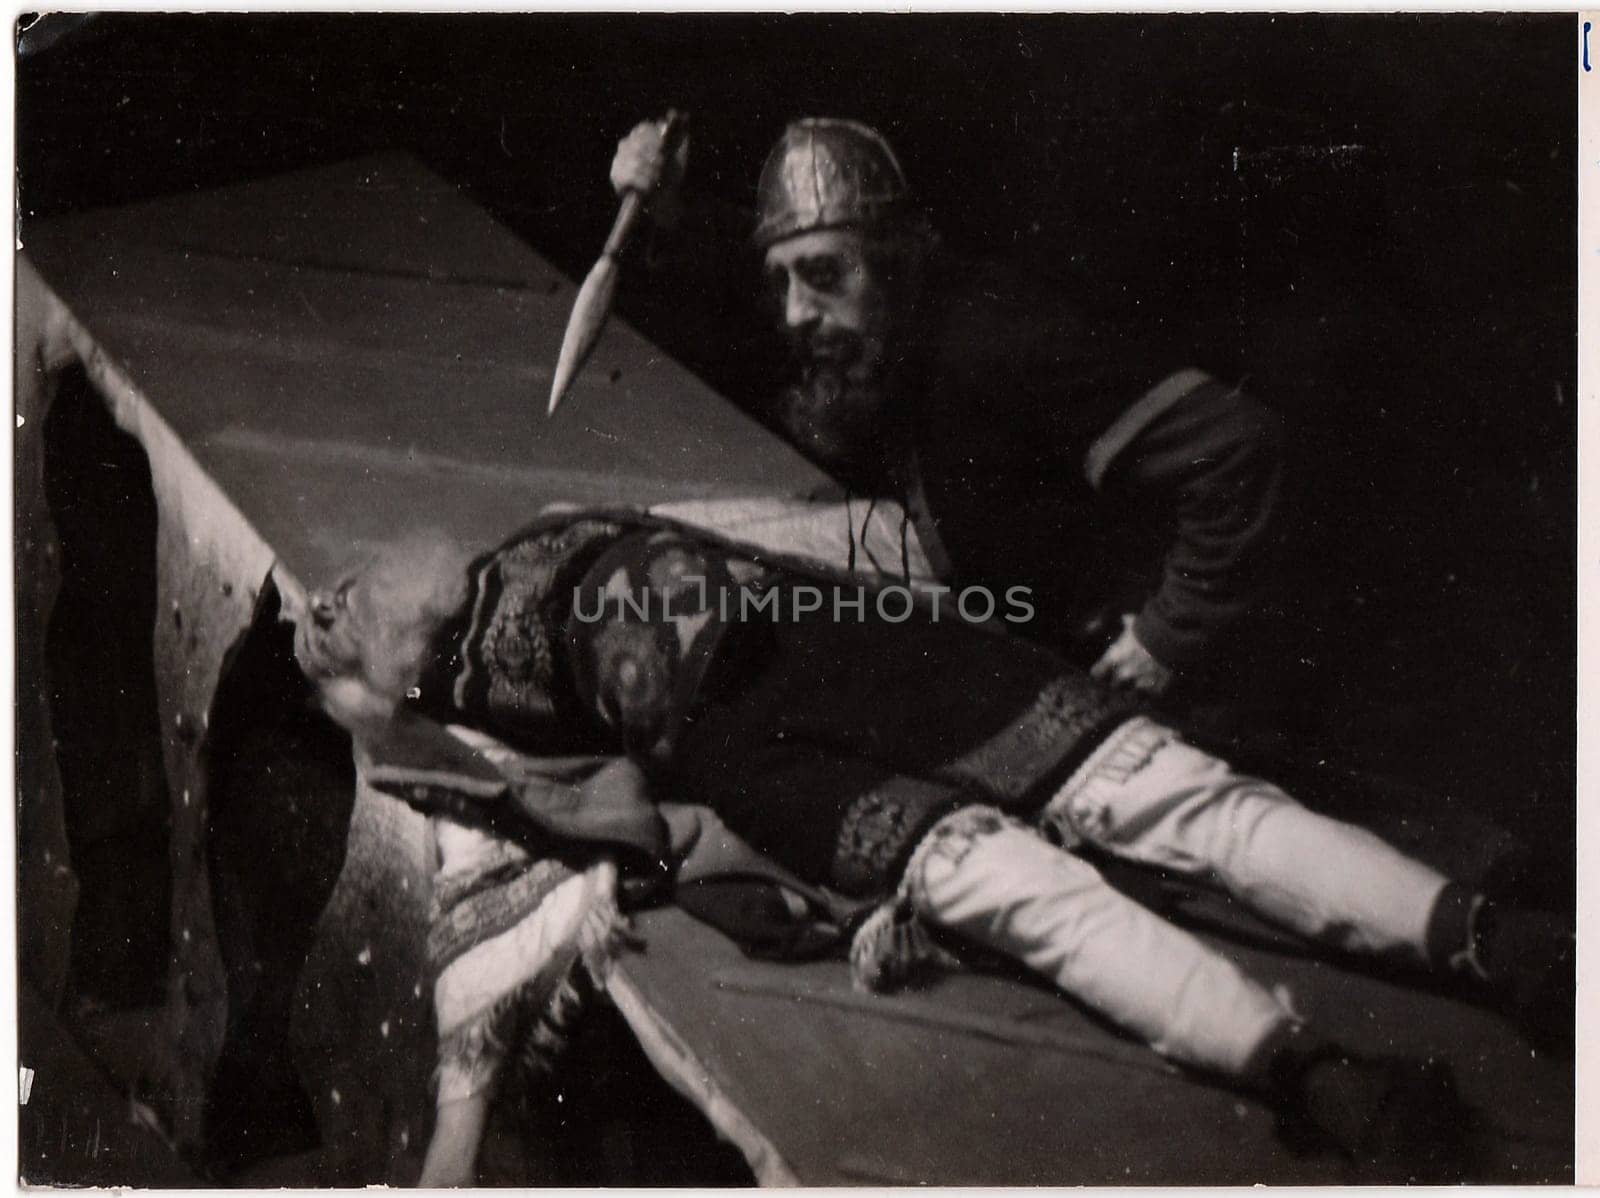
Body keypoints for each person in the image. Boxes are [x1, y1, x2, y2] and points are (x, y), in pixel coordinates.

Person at [296, 511, 1569, 1184]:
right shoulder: (506, 644)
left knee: (1122, 849)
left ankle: (1411, 992)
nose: (336, 597)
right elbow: (607, 794)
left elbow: (609, 786)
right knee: (1110, 858)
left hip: (840, 685)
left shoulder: (507, 629)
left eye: (338, 595)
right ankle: (1376, 1023)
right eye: (334, 613)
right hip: (823, 712)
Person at [608, 117, 1287, 699]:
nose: (795, 311)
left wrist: (1168, 636)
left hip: (1052, 635)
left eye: (820, 275)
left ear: (895, 263)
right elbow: (774, 267)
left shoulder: (1001, 340)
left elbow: (1237, 442)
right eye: (781, 280)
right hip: (952, 555)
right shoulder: (882, 308)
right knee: (657, 543)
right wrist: (670, 211)